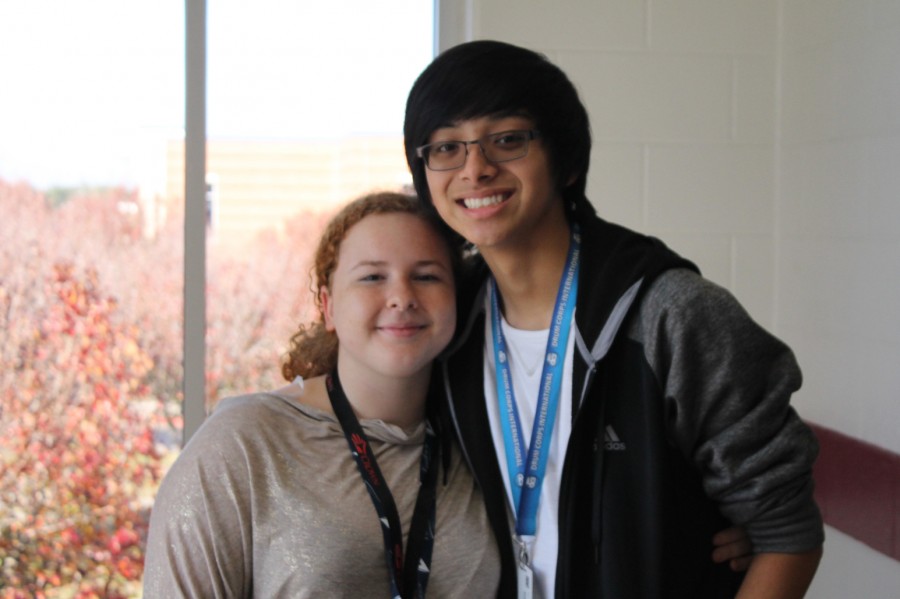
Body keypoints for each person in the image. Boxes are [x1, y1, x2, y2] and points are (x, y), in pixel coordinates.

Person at [403, 40, 824, 598]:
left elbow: (786, 535)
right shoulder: (446, 325)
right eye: (446, 148)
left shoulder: (670, 314)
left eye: (507, 139)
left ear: (567, 161)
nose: (475, 170)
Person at [142, 192, 501, 598]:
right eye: (372, 277)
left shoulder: (481, 446)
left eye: (426, 276)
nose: (402, 297)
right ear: (328, 308)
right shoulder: (242, 444)